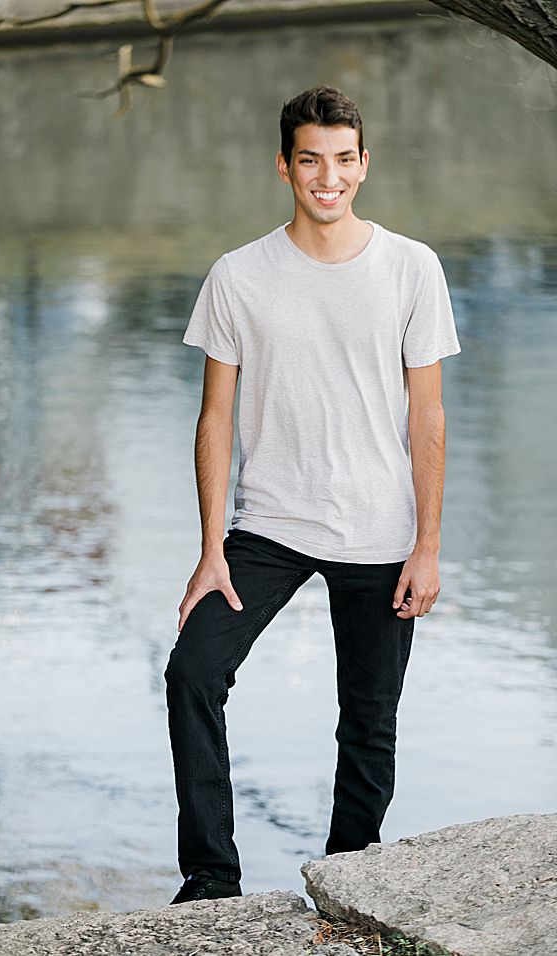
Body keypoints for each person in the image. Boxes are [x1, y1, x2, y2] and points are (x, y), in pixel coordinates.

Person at [165, 86, 459, 905]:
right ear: (284, 166)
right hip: (270, 525)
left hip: (380, 531)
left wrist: (428, 546)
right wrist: (210, 547)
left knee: (368, 722)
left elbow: (427, 415)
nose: (326, 179)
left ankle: (347, 880)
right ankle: (211, 878)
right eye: (309, 161)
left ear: (363, 164)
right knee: (192, 671)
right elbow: (215, 416)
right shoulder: (238, 276)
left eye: (341, 161)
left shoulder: (411, 268)